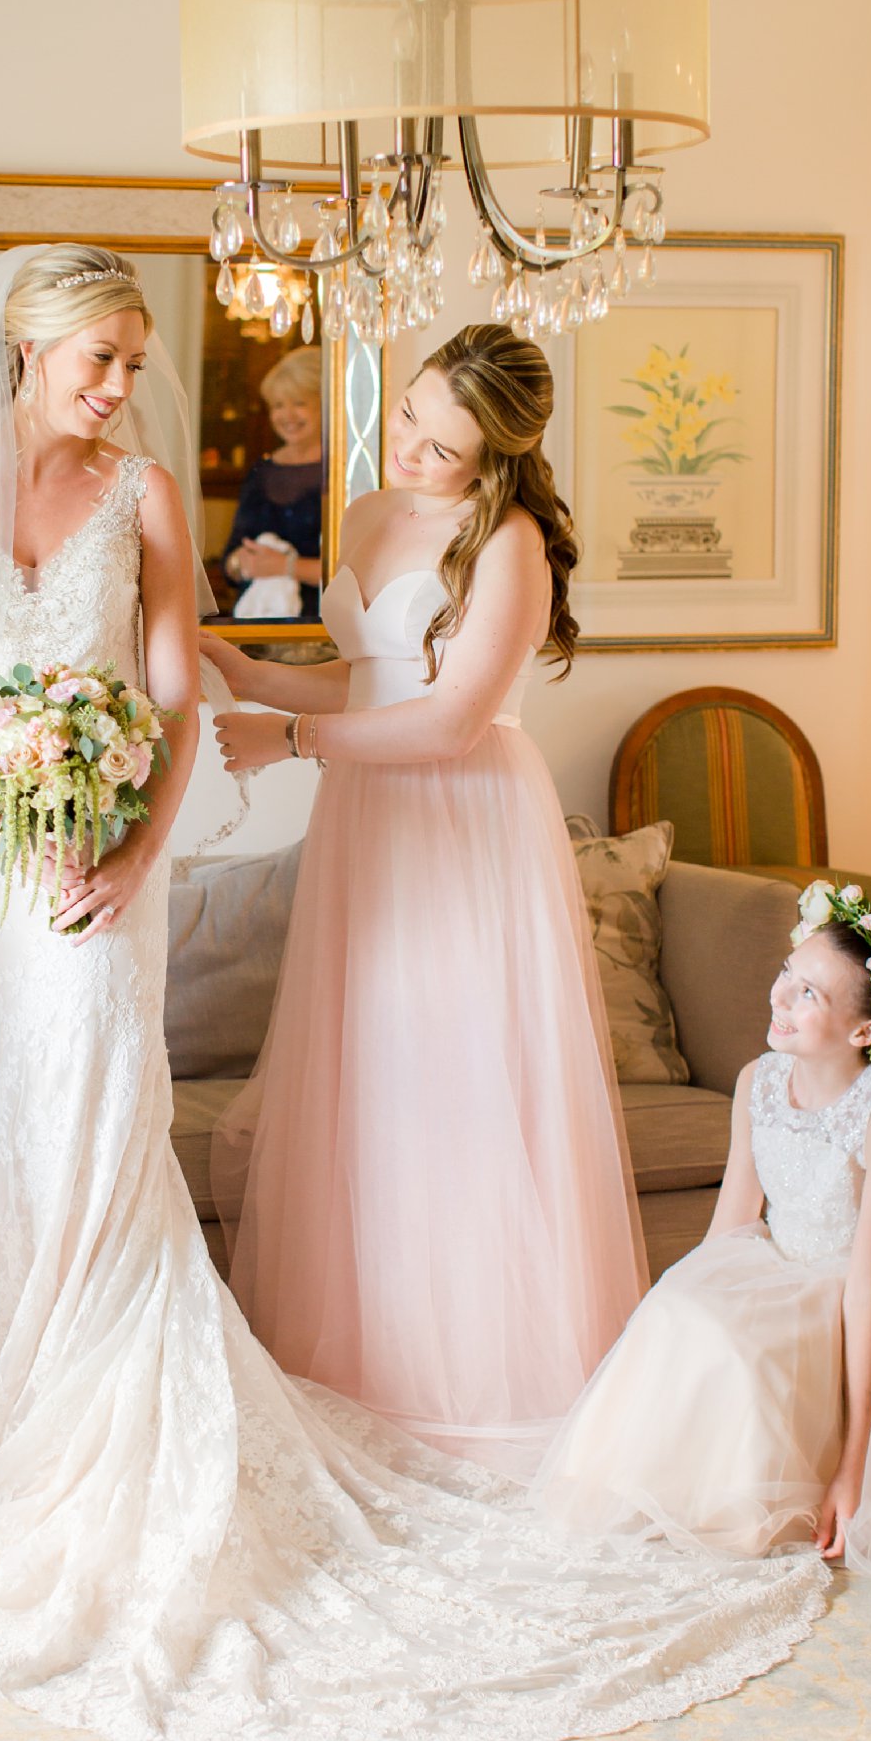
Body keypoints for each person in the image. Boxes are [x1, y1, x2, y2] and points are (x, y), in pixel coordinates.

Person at [0, 246, 826, 1741]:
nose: (125, 387)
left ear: (503, 451)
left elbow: (407, 713)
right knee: (138, 1129)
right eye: (100, 360)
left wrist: (159, 804)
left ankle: (434, 1396)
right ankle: (29, 1429)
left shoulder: (477, 539)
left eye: (450, 440)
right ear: (31, 351)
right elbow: (253, 678)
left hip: (427, 825)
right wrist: (96, 749)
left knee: (381, 1102)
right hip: (23, 868)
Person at [207, 321, 646, 1478]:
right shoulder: (361, 512)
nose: (406, 447)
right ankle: (360, 1367)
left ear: (493, 455)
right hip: (367, 823)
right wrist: (246, 671)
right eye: (404, 414)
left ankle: (480, 1386)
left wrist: (292, 735)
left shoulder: (506, 543)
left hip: (462, 826)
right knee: (365, 1073)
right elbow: (367, 671)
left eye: (440, 445)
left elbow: (450, 717)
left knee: (456, 1085)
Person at [533, 885, 871, 1587]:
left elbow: (866, 1289)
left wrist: (852, 1466)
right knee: (678, 1312)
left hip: (857, 1291)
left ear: (866, 1032)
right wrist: (679, 1308)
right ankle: (653, 1476)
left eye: (809, 994)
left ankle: (757, 1498)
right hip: (776, 1263)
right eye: (789, 971)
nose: (780, 996)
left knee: (746, 1354)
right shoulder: (759, 1080)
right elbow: (729, 1227)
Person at [221, 347, 324, 619]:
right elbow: (229, 560)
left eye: (299, 403)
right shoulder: (261, 471)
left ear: (325, 403)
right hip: (260, 622)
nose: (287, 415)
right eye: (278, 405)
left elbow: (358, 572)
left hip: (323, 628)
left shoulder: (343, 471)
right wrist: (240, 562)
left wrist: (286, 567)